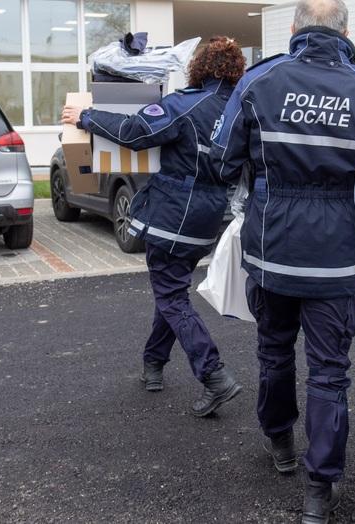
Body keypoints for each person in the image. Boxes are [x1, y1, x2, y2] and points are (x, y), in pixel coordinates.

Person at [210, 1, 355, 522]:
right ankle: (319, 489)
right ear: (346, 31)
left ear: (293, 29)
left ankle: (280, 441)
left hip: (272, 254)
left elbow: (221, 160)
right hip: (337, 264)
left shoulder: (258, 82)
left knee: (274, 351)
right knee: (330, 373)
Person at [60, 37, 247, 418]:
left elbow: (134, 130)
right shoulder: (241, 109)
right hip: (209, 218)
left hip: (171, 216)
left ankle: (213, 375)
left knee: (171, 297)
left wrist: (85, 117)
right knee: (172, 289)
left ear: (199, 67)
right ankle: (153, 364)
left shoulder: (185, 104)